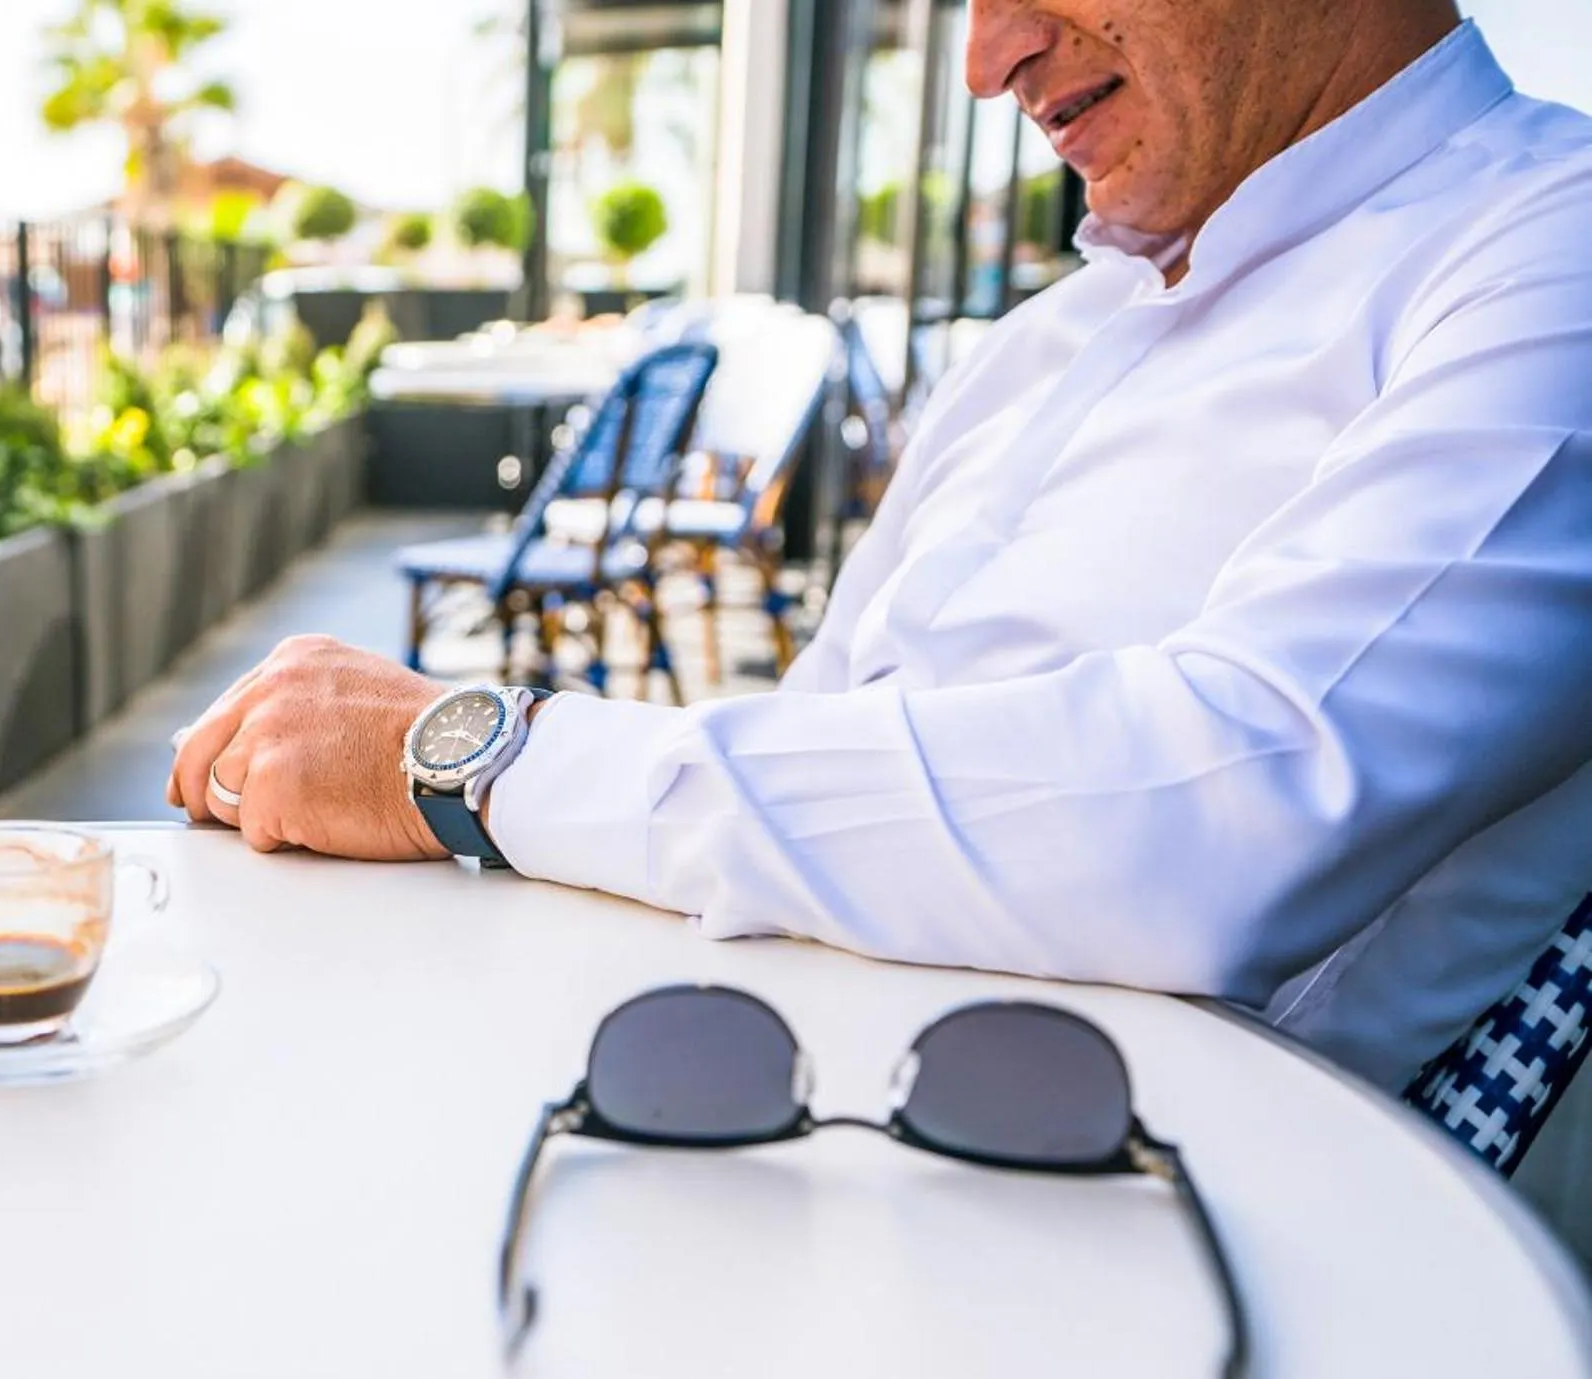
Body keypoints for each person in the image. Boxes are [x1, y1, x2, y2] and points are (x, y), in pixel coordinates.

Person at [167, 0, 1592, 1095]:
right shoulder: (1048, 339)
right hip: (804, 1102)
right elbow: (821, 741)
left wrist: (482, 759)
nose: (990, 59)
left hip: (1150, 1218)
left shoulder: (1543, 244)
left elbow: (1236, 803)